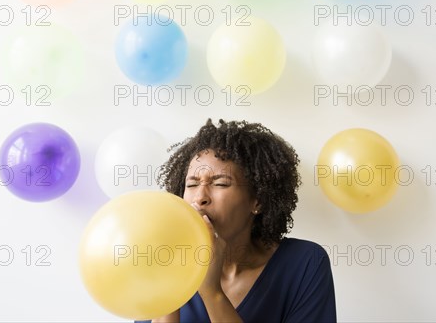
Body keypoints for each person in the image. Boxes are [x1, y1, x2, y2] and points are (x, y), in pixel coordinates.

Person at [141, 119, 336, 323]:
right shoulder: (156, 261)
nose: (200, 197)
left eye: (221, 183)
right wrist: (170, 288)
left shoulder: (305, 263)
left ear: (257, 200)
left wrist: (212, 293)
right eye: (191, 184)